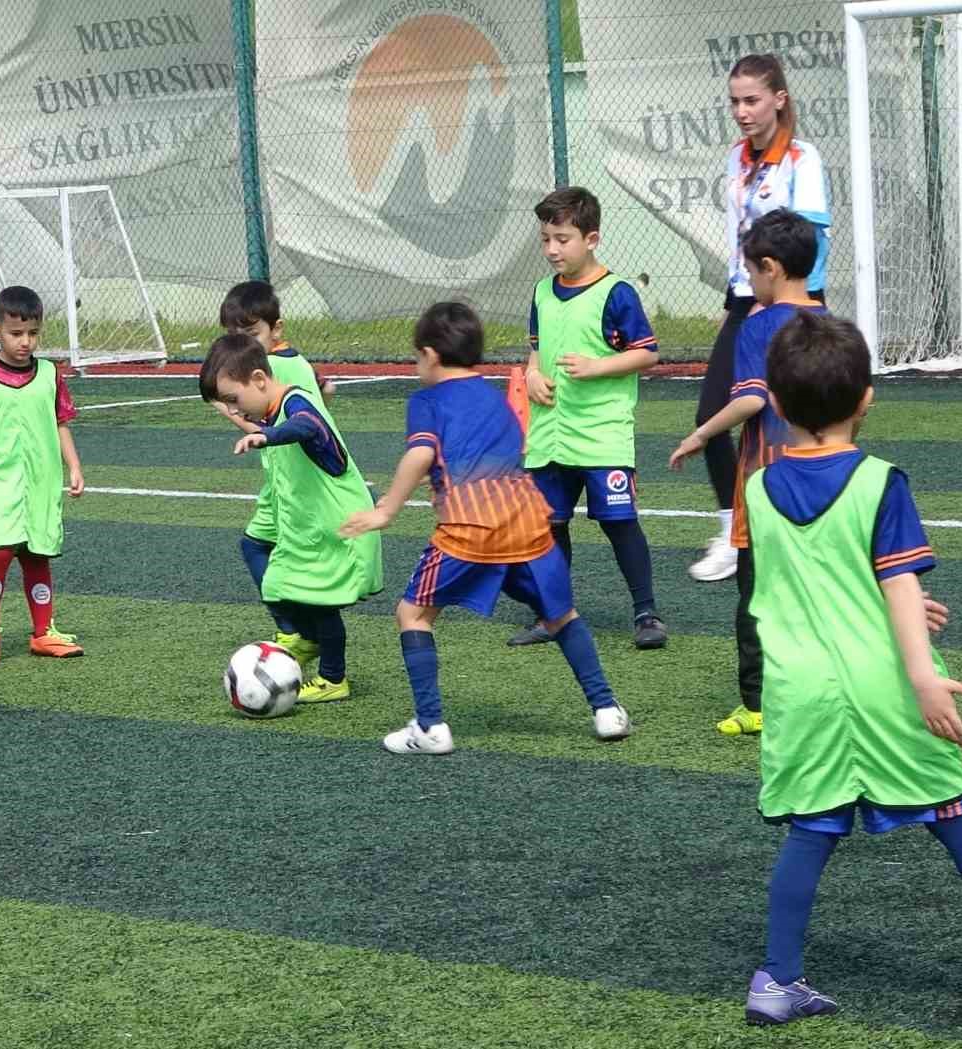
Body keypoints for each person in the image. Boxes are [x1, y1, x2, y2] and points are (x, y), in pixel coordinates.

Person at [740, 311, 962, 1025]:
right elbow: (894, 581)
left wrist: (896, 603)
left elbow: (812, 581)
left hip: (801, 694)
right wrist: (920, 670)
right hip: (887, 687)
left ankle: (776, 977)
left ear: (777, 404)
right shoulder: (881, 482)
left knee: (811, 830)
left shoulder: (757, 490)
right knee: (955, 811)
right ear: (867, 398)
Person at [341, 302, 631, 754]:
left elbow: (420, 455)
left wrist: (385, 512)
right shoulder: (494, 396)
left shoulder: (427, 401)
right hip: (528, 524)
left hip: (468, 528)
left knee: (411, 614)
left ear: (430, 355)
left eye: (418, 357)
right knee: (561, 616)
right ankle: (607, 710)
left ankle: (430, 727)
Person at [670, 209, 825, 736]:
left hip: (770, 483)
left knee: (759, 596)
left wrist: (701, 434)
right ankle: (825, 692)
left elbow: (751, 399)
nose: (750, 284)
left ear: (770, 268)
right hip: (829, 479)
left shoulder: (757, 325)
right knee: (818, 590)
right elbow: (861, 397)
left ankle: (758, 704)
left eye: (751, 273)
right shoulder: (833, 326)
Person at [690, 53, 830, 584]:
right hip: (744, 302)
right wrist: (737, 296)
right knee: (714, 414)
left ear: (779, 98)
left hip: (794, 304)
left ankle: (809, 525)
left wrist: (794, 307)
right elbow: (736, 236)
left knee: (800, 421)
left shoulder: (803, 158)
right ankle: (733, 529)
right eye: (735, 101)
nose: (742, 111)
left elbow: (813, 240)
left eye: (752, 100)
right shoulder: (734, 157)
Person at [515, 186, 666, 651]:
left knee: (619, 523)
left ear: (592, 238)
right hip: (549, 434)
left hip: (601, 435)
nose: (552, 250)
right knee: (549, 525)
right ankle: (554, 614)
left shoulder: (615, 292)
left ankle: (647, 613)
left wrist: (599, 366)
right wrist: (532, 374)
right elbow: (536, 349)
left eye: (562, 239)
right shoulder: (542, 292)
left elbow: (648, 354)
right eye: (546, 239)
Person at [199, 333, 381, 703]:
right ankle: (305, 638)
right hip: (307, 527)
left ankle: (334, 678)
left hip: (337, 524)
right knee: (279, 583)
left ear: (260, 380)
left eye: (234, 400)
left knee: (320, 601)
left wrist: (268, 437)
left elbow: (307, 426)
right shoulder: (270, 411)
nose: (235, 412)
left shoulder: (297, 402)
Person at [0, 285, 86, 667]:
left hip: (40, 478)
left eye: (32, 333)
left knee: (36, 552)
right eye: (15, 334)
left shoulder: (49, 374)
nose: (25, 342)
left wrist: (74, 465)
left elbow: (61, 423)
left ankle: (44, 632)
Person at [214, 280, 334, 670]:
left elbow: (266, 426)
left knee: (292, 565)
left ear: (275, 329)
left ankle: (300, 635)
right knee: (258, 548)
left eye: (251, 335)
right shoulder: (292, 361)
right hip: (282, 483)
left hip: (298, 485)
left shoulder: (268, 369)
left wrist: (229, 411)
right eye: (235, 337)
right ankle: (298, 633)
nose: (243, 347)